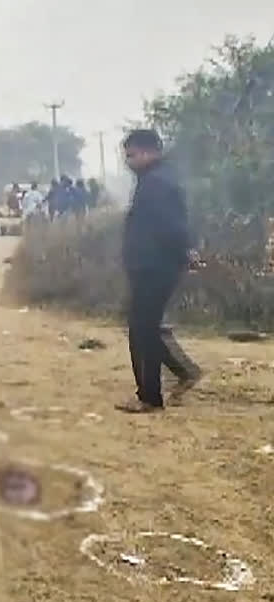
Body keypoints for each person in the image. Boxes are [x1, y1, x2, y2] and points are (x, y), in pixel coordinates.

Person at [115, 129, 201, 414]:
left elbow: (171, 226)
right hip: (152, 265)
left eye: (132, 155)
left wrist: (185, 251)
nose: (128, 161)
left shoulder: (157, 183)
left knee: (142, 330)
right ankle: (183, 372)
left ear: (150, 152)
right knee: (145, 328)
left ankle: (149, 397)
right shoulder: (154, 180)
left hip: (154, 267)